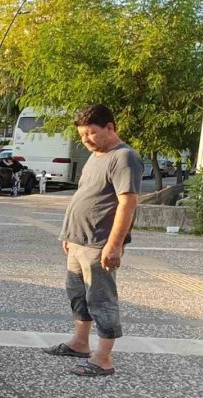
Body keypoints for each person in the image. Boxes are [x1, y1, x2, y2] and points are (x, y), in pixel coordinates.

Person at [44, 104, 143, 377]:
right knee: (77, 294)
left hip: (99, 242)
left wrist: (114, 244)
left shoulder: (124, 157)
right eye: (82, 135)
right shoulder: (96, 155)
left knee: (101, 299)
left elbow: (127, 203)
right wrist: (69, 234)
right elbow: (85, 194)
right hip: (78, 240)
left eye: (91, 133)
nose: (86, 139)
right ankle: (80, 343)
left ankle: (104, 358)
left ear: (110, 127)